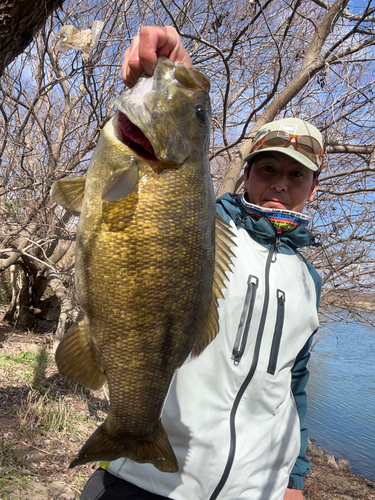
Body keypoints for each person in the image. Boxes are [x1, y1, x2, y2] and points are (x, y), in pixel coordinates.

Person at [80, 26, 323, 500]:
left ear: (312, 190)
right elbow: (163, 190)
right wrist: (178, 74)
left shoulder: (310, 282)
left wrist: (294, 479)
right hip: (148, 482)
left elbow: (294, 386)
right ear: (246, 173)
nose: (279, 184)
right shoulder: (205, 225)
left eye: (296, 175)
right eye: (268, 168)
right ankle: (130, 434)